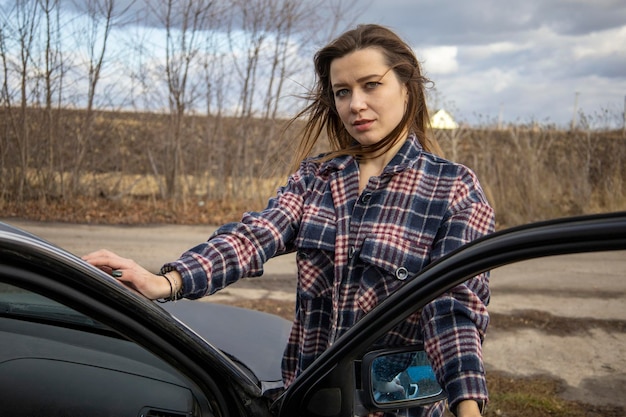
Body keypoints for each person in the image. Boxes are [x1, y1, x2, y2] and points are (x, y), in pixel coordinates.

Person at [84, 24, 495, 417]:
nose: (355, 104)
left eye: (372, 85)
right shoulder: (317, 178)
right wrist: (167, 281)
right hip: (308, 401)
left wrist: (468, 407)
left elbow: (453, 313)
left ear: (406, 87)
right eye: (342, 92)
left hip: (398, 410)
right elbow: (253, 236)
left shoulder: (453, 190)